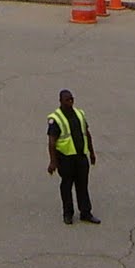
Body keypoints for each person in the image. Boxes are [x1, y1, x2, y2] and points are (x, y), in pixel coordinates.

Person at [46, 89, 100, 225]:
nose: (70, 102)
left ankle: (85, 212)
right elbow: (52, 142)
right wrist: (53, 162)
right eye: (67, 100)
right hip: (65, 159)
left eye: (71, 99)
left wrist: (92, 153)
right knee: (66, 186)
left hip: (81, 157)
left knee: (83, 185)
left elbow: (87, 133)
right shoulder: (56, 118)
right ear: (61, 101)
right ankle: (68, 213)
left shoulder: (79, 114)